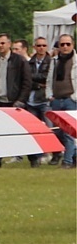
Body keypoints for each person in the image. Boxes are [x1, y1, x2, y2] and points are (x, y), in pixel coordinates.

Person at [0, 33, 28, 168]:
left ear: (9, 44)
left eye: (3, 43)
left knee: (23, 131)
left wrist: (20, 101)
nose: (0, 46)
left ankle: (34, 157)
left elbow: (27, 82)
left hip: (14, 102)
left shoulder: (19, 61)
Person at [22, 37, 54, 168]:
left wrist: (34, 80)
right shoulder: (29, 63)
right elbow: (26, 78)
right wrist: (38, 83)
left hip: (44, 99)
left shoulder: (51, 62)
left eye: (44, 45)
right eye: (39, 45)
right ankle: (36, 156)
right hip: (31, 99)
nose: (41, 48)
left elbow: (47, 77)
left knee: (49, 128)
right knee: (33, 130)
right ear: (34, 47)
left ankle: (52, 152)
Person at [49, 34, 75, 169]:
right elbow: (49, 79)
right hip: (56, 100)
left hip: (71, 99)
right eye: (62, 44)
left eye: (68, 44)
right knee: (58, 132)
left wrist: (74, 97)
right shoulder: (54, 61)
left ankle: (67, 161)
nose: (65, 47)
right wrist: (49, 95)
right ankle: (73, 156)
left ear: (73, 45)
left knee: (69, 132)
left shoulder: (76, 61)